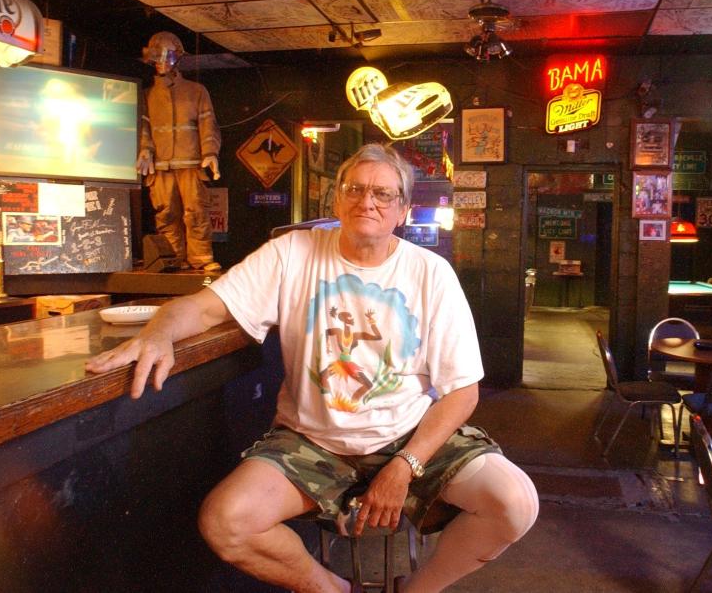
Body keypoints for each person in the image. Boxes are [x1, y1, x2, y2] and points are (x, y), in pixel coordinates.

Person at [86, 143, 539, 593]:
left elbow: (463, 391)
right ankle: (332, 590)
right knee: (226, 522)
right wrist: (158, 331)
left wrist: (404, 467)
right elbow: (203, 309)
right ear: (337, 198)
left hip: (410, 437)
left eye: (383, 194)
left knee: (515, 504)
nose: (368, 201)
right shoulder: (291, 253)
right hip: (312, 442)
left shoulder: (430, 273)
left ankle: (417, 590)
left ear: (402, 210)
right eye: (356, 189)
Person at [136, 32, 222, 272]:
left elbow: (208, 124)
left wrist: (210, 152)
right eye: (158, 56)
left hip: (191, 163)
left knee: (196, 212)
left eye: (169, 55)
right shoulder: (146, 95)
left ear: (178, 57)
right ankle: (173, 258)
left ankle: (201, 258)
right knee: (166, 214)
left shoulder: (196, 91)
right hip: (161, 166)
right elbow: (143, 126)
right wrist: (145, 150)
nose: (163, 61)